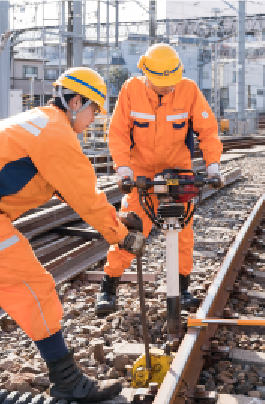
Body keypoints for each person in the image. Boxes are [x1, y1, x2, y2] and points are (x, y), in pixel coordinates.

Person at [0, 67, 146, 403]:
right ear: (76, 101)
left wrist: (118, 218)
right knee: (35, 288)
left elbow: (63, 189)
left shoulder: (37, 122)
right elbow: (85, 195)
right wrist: (120, 235)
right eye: (94, 110)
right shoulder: (56, 133)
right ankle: (66, 380)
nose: (94, 119)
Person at [97, 43, 224, 316]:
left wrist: (213, 167)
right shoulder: (131, 91)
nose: (166, 88)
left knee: (182, 233)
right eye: (160, 84)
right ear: (145, 74)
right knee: (129, 231)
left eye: (170, 83)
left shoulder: (189, 90)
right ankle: (108, 288)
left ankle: (182, 288)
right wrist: (124, 171)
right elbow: (118, 132)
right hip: (141, 175)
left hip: (179, 174)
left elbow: (208, 131)